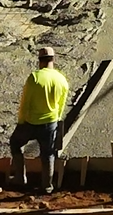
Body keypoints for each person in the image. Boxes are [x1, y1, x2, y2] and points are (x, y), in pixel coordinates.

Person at [7, 46, 70, 194]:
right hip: (51, 123)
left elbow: (25, 103)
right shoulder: (61, 79)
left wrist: (21, 121)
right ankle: (47, 186)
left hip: (31, 122)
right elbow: (61, 104)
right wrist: (57, 119)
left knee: (15, 143)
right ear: (53, 59)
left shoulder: (34, 77)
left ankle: (20, 177)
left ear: (39, 61)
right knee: (48, 154)